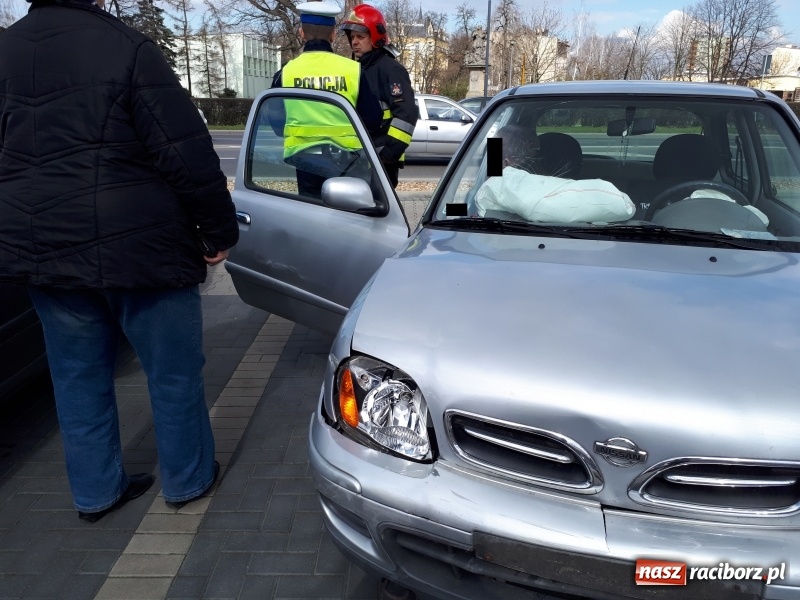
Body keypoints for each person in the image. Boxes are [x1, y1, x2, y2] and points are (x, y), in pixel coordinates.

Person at [0, 0, 238, 522]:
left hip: (46, 249)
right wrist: (218, 230)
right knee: (173, 373)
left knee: (75, 377)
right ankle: (188, 480)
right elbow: (185, 150)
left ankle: (96, 494)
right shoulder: (127, 47)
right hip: (143, 249)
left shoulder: (5, 50)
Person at [270, 1, 382, 199]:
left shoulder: (286, 73)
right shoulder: (354, 70)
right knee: (348, 212)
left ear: (302, 33)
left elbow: (277, 124)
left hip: (305, 161)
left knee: (312, 213)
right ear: (333, 35)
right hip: (349, 161)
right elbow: (373, 119)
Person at [476, 125, 636, 222]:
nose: (491, 173)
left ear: (506, 162)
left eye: (496, 156)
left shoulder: (513, 185)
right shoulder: (497, 174)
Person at [341, 4, 418, 189]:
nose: (354, 42)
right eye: (352, 37)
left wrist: (388, 155)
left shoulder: (391, 70)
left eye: (360, 37)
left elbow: (406, 115)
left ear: (375, 37)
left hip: (381, 160)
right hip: (360, 158)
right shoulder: (358, 69)